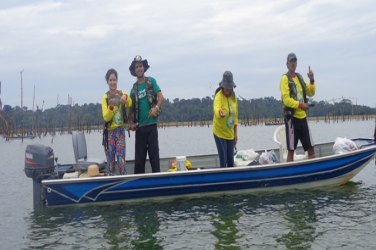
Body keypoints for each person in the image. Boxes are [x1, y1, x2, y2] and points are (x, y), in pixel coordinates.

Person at [128, 55, 164, 174]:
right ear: (134, 70)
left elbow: (160, 97)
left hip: (152, 126)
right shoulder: (133, 89)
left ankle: (157, 181)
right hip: (140, 129)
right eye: (136, 67)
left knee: (154, 158)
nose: (139, 68)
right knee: (139, 161)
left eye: (140, 66)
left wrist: (156, 107)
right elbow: (130, 108)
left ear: (144, 68)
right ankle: (139, 184)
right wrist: (131, 123)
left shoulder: (151, 81)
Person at [280, 52, 316, 162]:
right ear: (287, 64)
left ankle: (314, 172)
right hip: (292, 119)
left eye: (295, 61)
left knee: (310, 148)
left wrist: (311, 80)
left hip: (302, 118)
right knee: (291, 150)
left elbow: (310, 93)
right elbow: (286, 100)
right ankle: (289, 174)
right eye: (291, 61)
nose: (293, 63)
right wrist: (301, 105)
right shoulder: (284, 79)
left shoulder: (300, 77)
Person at [101, 68, 132, 175]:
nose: (113, 82)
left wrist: (126, 97)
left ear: (117, 80)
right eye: (110, 80)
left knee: (121, 160)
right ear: (107, 81)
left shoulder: (121, 93)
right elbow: (106, 117)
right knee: (110, 162)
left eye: (114, 80)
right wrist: (111, 107)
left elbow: (130, 103)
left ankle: (123, 180)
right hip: (109, 133)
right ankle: (110, 181)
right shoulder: (105, 97)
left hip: (120, 132)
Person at [212, 71, 238, 167]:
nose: (228, 90)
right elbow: (216, 108)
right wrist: (220, 112)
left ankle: (232, 180)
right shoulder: (218, 96)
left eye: (230, 88)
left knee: (231, 160)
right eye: (226, 88)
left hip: (230, 133)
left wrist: (235, 134)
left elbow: (235, 116)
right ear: (223, 86)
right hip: (219, 132)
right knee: (223, 159)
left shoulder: (234, 98)